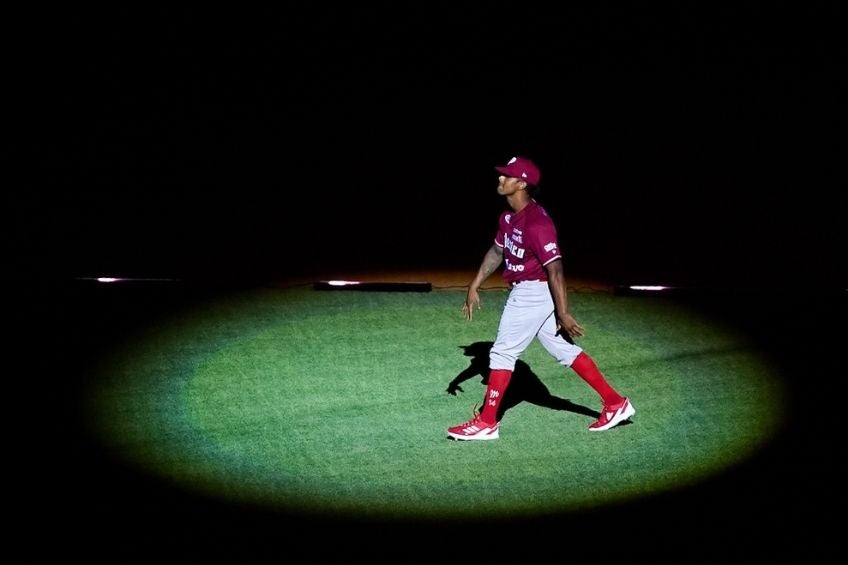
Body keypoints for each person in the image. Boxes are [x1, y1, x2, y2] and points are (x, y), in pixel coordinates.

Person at [447, 156, 635, 440]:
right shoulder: (508, 217)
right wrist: (474, 284)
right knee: (563, 349)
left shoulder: (537, 224)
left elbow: (555, 271)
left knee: (502, 352)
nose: (500, 179)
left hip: (533, 293)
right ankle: (615, 403)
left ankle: (487, 423)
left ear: (522, 183)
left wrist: (564, 312)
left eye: (507, 176)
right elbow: (497, 252)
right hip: (532, 292)